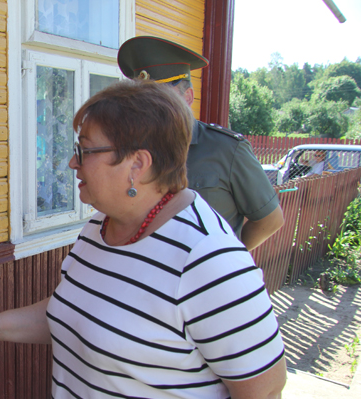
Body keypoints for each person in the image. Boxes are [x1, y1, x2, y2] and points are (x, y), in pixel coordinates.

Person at [0, 80, 286, 399]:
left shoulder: (207, 258)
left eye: (85, 150)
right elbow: (78, 309)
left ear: (137, 164)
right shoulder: (100, 227)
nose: (73, 162)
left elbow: (261, 395)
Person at [117, 36, 285, 251]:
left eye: (161, 98)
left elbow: (270, 220)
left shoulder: (226, 149)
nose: (149, 108)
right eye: (141, 100)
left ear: (188, 97)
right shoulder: (132, 150)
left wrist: (226, 259)